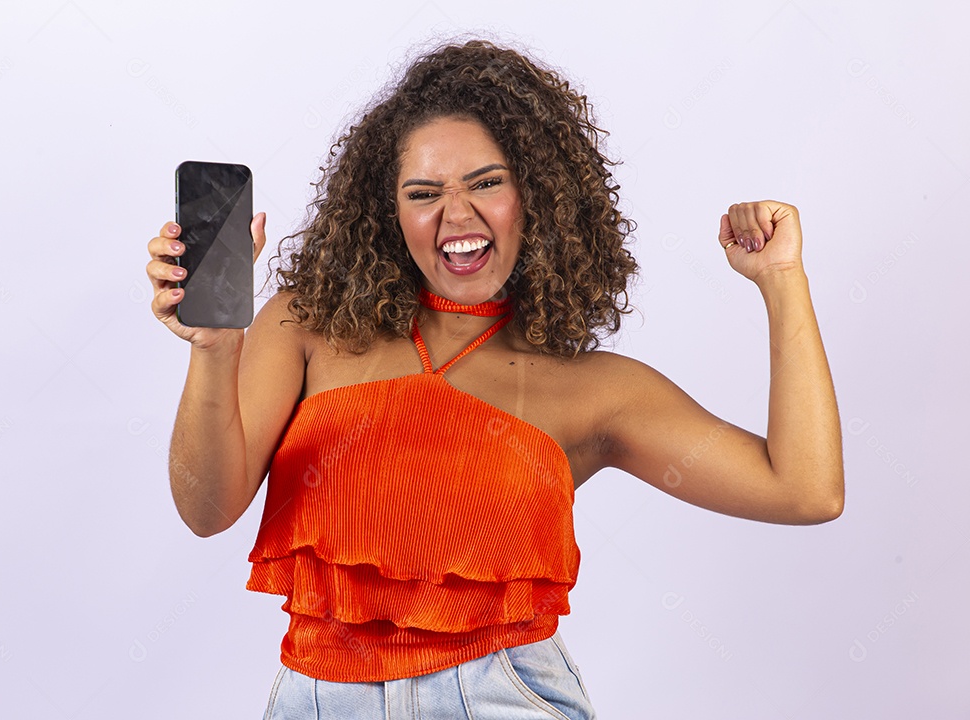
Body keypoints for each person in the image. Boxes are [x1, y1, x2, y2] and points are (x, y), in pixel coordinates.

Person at [145, 39, 843, 719]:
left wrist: (781, 280)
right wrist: (212, 347)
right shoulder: (307, 325)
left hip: (506, 697)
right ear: (388, 211)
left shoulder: (593, 391)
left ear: (537, 192)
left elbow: (806, 490)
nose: (457, 216)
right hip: (315, 698)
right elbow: (207, 510)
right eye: (424, 192)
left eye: (487, 183)